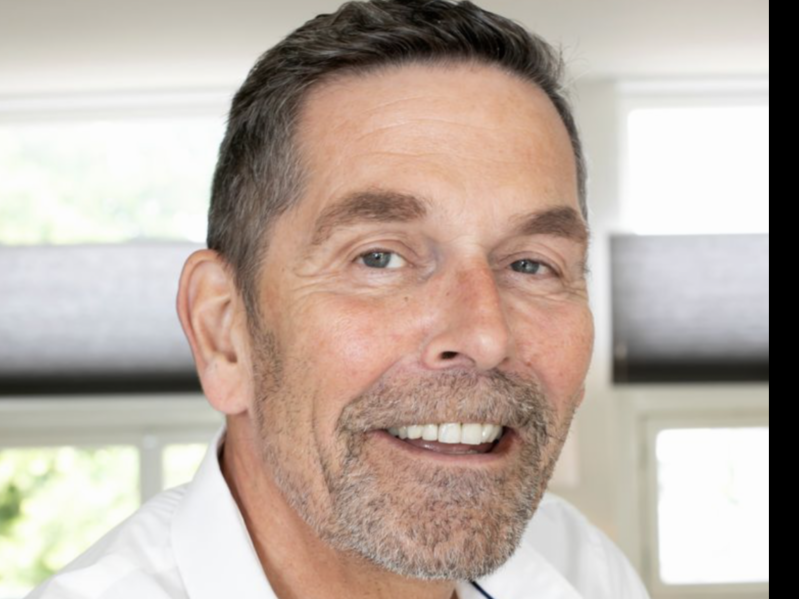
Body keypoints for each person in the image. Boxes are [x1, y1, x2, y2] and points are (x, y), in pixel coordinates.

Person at [26, 1, 652, 598]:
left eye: (531, 265)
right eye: (379, 258)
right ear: (223, 333)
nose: (487, 336)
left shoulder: (587, 570)